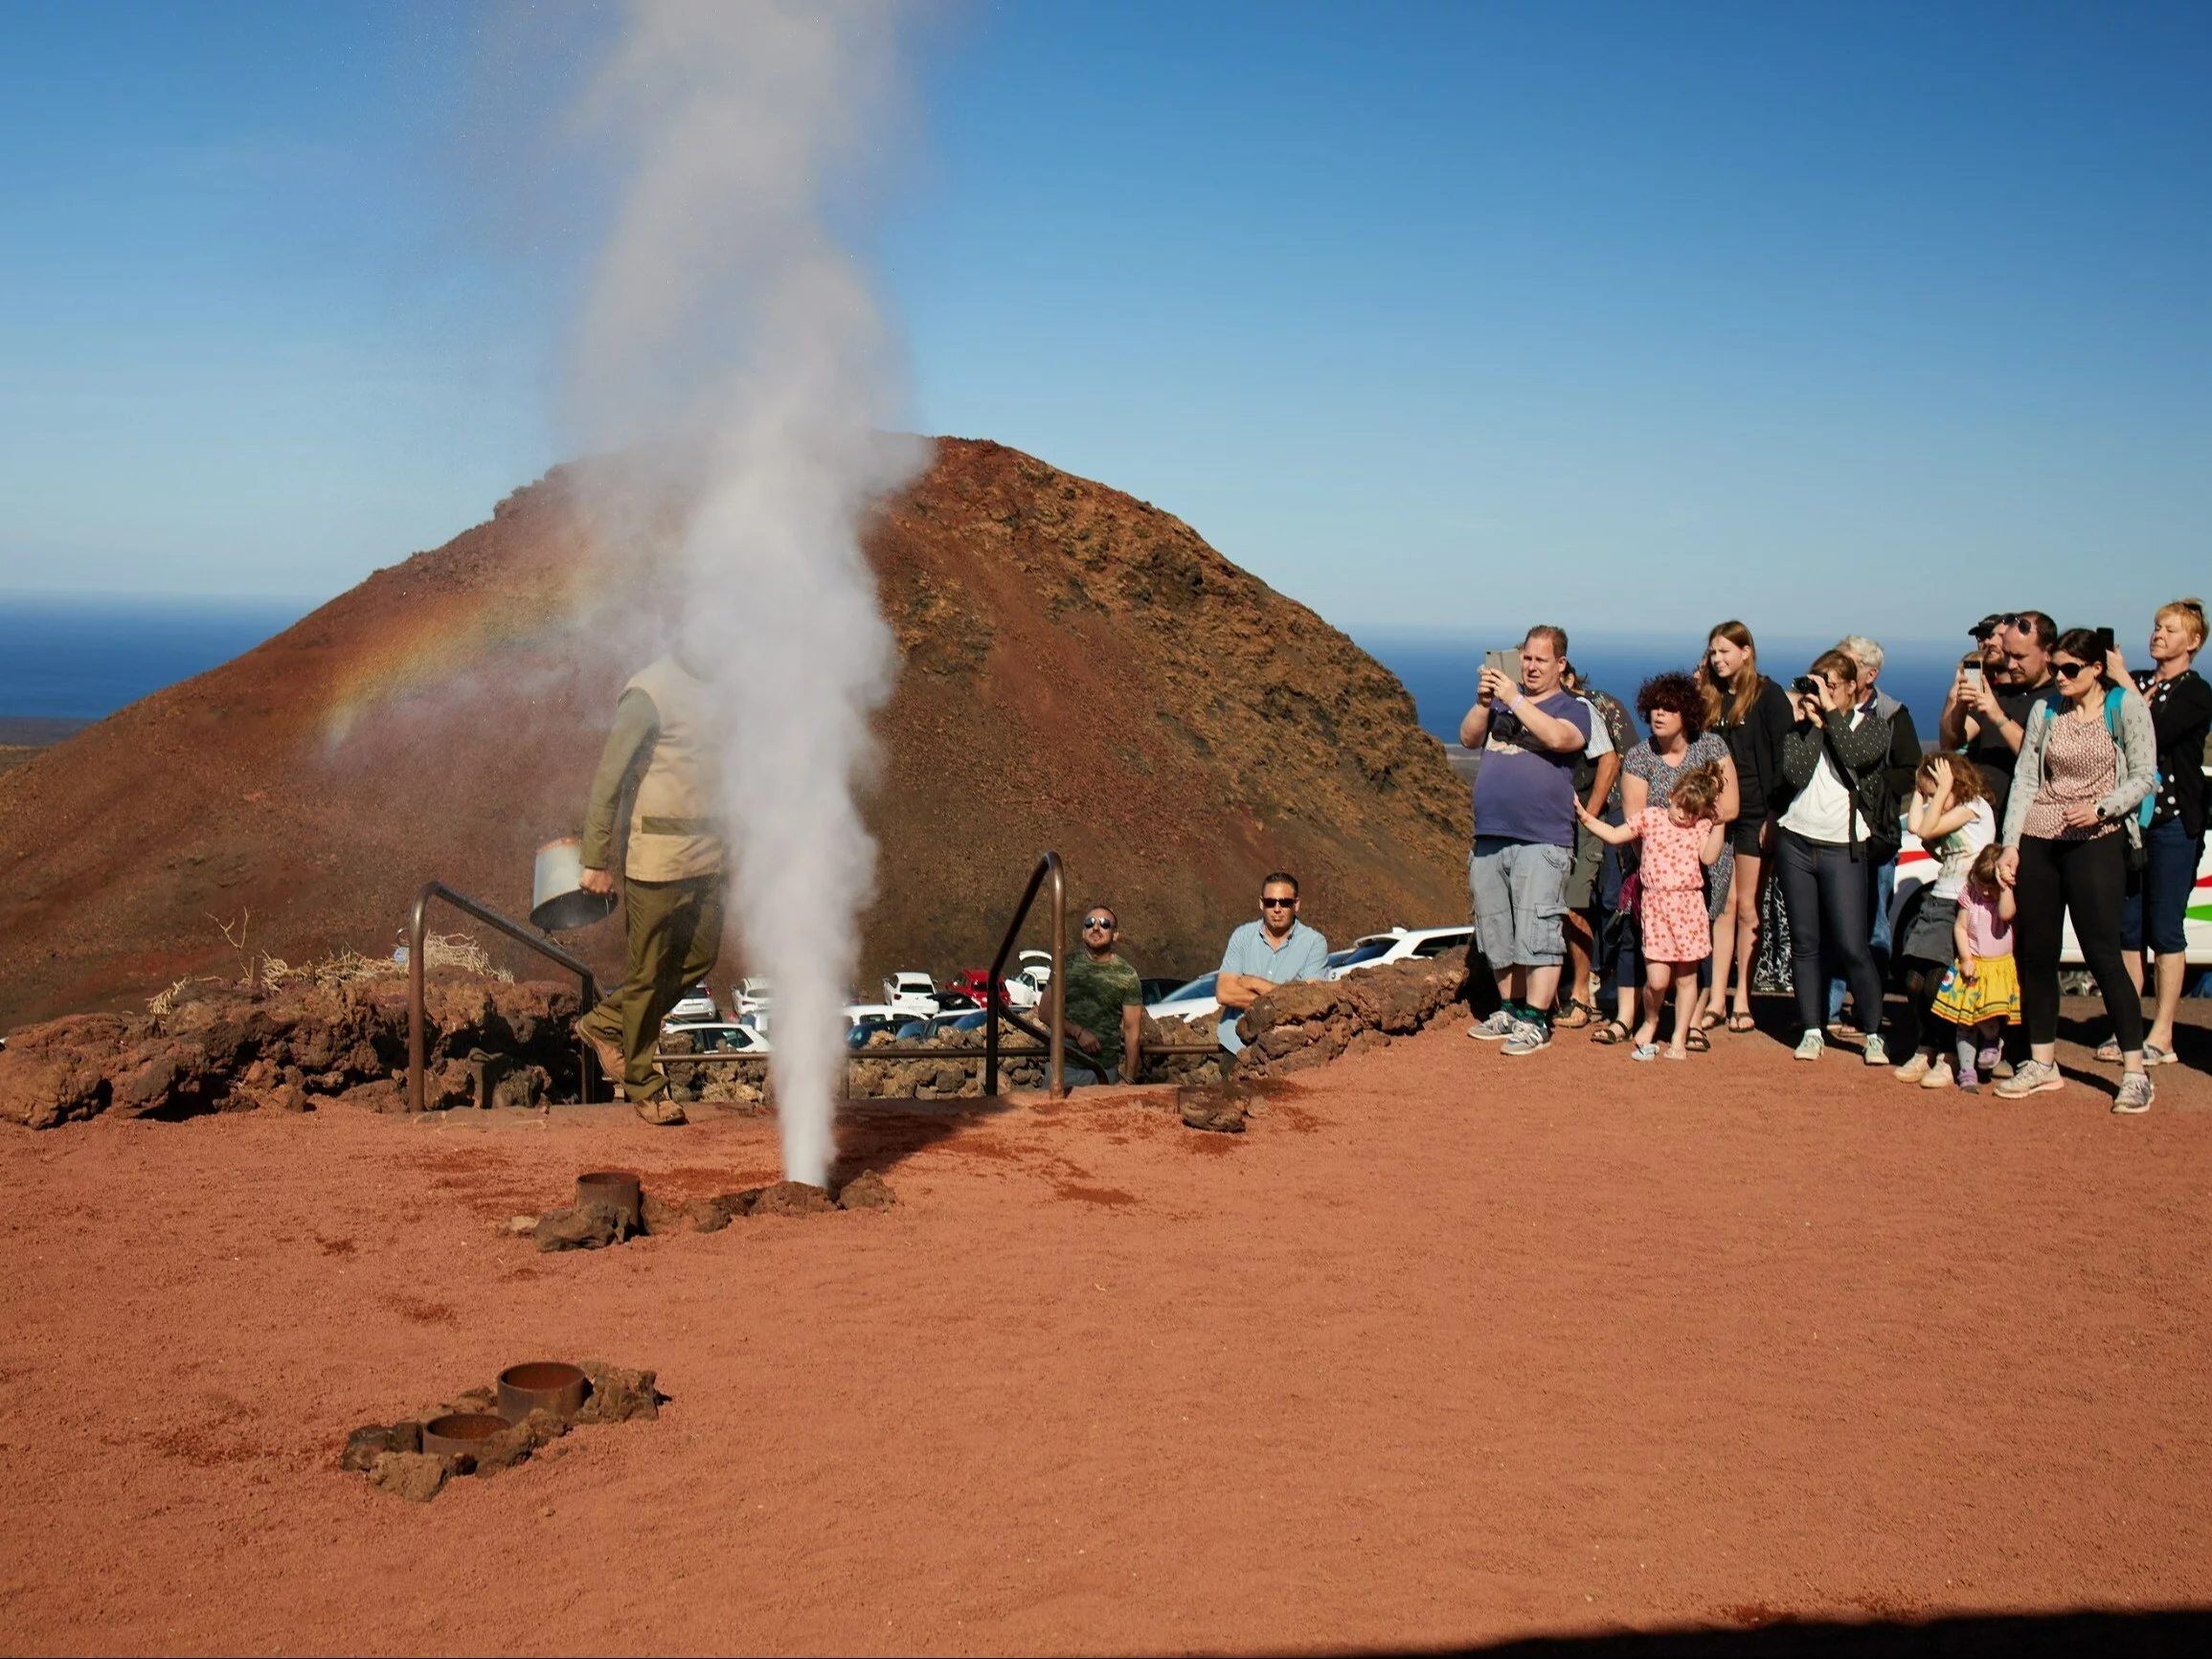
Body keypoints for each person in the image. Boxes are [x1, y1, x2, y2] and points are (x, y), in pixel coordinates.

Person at [1995, 629, 2158, 1110]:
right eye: (2057, 669)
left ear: (2095, 669)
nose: (2061, 677)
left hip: (2097, 841)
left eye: (2071, 670)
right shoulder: (2046, 711)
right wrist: (2010, 845)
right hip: (2040, 839)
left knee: (2103, 955)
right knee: (2038, 956)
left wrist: (2103, 808)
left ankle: (2134, 1071)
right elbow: (2026, 777)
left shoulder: (2124, 707)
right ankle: (2042, 1064)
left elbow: (2144, 775)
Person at [574, 650, 726, 1126]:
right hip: (656, 861)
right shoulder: (648, 692)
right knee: (647, 972)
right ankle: (643, 1082)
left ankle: (604, 1023)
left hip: (710, 857)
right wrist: (595, 859)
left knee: (700, 958)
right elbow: (608, 779)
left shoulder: (725, 686)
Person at [1459, 626, 1592, 1056]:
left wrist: (1515, 699)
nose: (1531, 667)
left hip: (1542, 837)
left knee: (1539, 926)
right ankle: (1511, 1008)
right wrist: (1484, 704)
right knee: (1496, 926)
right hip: (1491, 834)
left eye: (1540, 660)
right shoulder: (1499, 705)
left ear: (1560, 665)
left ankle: (1537, 1019)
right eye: (1526, 659)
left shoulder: (1573, 708)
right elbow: (1468, 738)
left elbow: (1559, 739)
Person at [1589, 672, 1739, 1048]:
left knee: (1696, 943)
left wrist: (1696, 852)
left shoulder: (1712, 747)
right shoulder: (1640, 757)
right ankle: (1629, 1017)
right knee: (1635, 939)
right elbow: (1636, 823)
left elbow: (1730, 806)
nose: (1659, 714)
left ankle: (1692, 1025)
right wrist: (1655, 869)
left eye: (1669, 708)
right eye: (1655, 706)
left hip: (1704, 865)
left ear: (1685, 713)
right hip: (1651, 869)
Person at [2106, 598, 2212, 1066]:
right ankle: (2129, 1028)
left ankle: (2163, 1034)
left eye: (2169, 630)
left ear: (2193, 642)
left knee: (2165, 930)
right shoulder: (2141, 685)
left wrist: (2124, 683)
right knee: (2128, 930)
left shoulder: (2196, 693)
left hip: (2172, 826)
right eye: (2155, 627)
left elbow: (2150, 734)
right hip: (2132, 824)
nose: (2158, 635)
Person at [1775, 649, 1894, 1064]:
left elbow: (1857, 758)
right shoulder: (1800, 731)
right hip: (1796, 841)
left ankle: (1874, 1032)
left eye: (1827, 684)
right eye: (1814, 683)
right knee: (1805, 942)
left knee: (1851, 943)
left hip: (1844, 846)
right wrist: (1813, 724)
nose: (1818, 692)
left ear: (1849, 687)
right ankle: (1812, 1028)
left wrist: (1832, 717)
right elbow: (1795, 773)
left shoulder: (1874, 728)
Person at [1576, 760, 1727, 1061]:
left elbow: (1709, 858)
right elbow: (1616, 835)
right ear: (1671, 795)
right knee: (1657, 980)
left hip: (1688, 909)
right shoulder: (1652, 818)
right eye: (1682, 806)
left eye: (1693, 812)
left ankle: (1678, 1037)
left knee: (1686, 979)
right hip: (1656, 909)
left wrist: (1719, 823)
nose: (1684, 816)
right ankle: (1652, 1018)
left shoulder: (1701, 827)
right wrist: (1585, 816)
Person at [1825, 636, 1921, 1035]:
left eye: (1847, 662)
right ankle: (1826, 1012)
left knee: (1874, 924)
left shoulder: (1892, 713)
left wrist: (1871, 786)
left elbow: (1909, 768)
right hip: (1830, 831)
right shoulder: (1825, 709)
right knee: (1833, 923)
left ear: (1869, 673)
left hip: (1876, 835)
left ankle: (1870, 1012)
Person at [1699, 622, 1793, 1033]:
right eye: (1713, 653)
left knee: (1749, 907)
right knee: (1722, 905)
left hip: (1757, 814)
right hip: (1717, 815)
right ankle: (1717, 997)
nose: (1718, 660)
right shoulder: (1712, 696)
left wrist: (1774, 816)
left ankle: (1743, 997)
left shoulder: (1769, 696)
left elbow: (1783, 760)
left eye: (1725, 652)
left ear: (1746, 651)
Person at [1889, 755, 1997, 1087]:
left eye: (1936, 791)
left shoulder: (1974, 806)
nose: (1931, 798)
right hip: (1939, 897)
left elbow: (1928, 828)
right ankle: (1927, 1046)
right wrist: (1922, 789)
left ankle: (1950, 1053)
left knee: (1940, 982)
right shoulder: (1950, 807)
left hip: (1963, 904)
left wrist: (1945, 787)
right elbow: (1917, 827)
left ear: (1956, 783)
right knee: (1914, 980)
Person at [1558, 662, 1634, 1029]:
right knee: (1585, 898)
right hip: (1576, 817)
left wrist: (1594, 815)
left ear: (1568, 675)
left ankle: (1608, 978)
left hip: (1612, 811)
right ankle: (1589, 978)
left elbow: (1623, 755)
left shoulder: (1600, 705)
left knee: (1609, 898)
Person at [1942, 611, 2057, 818]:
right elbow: (1951, 743)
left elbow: (2043, 760)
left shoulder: (2058, 699)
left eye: (2020, 657)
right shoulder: (1997, 693)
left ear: (2047, 653)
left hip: (2030, 822)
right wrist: (1958, 704)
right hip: (1984, 821)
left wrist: (1998, 716)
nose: (2011, 664)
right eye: (2008, 655)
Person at [1929, 844, 2021, 1093]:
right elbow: (1960, 927)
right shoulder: (1970, 893)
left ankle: (1992, 1040)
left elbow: (2005, 914)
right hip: (1973, 966)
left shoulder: (2004, 896)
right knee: (1965, 1023)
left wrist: (2003, 887)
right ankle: (1966, 1071)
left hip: (1997, 970)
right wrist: (1966, 957)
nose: (1985, 891)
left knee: (1988, 1019)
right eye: (1982, 884)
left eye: (1990, 886)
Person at [1213, 872, 1330, 1054]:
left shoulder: (1314, 943)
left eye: (1285, 903)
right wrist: (1282, 1003)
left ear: (1296, 905)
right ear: (1261, 903)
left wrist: (1254, 983)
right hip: (1237, 1047)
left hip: (1286, 1049)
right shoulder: (1242, 937)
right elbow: (1224, 993)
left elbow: (1308, 1002)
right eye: (1270, 902)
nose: (1277, 909)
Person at [1061, 905, 1146, 1085]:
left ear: (1115, 935)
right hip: (1063, 1069)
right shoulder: (1065, 966)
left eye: (1105, 924)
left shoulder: (1127, 975)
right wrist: (1078, 1032)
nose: (1096, 927)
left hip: (1103, 1071)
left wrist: (1129, 1077)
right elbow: (1045, 1011)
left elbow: (1132, 1030)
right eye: (1089, 923)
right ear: (1083, 932)